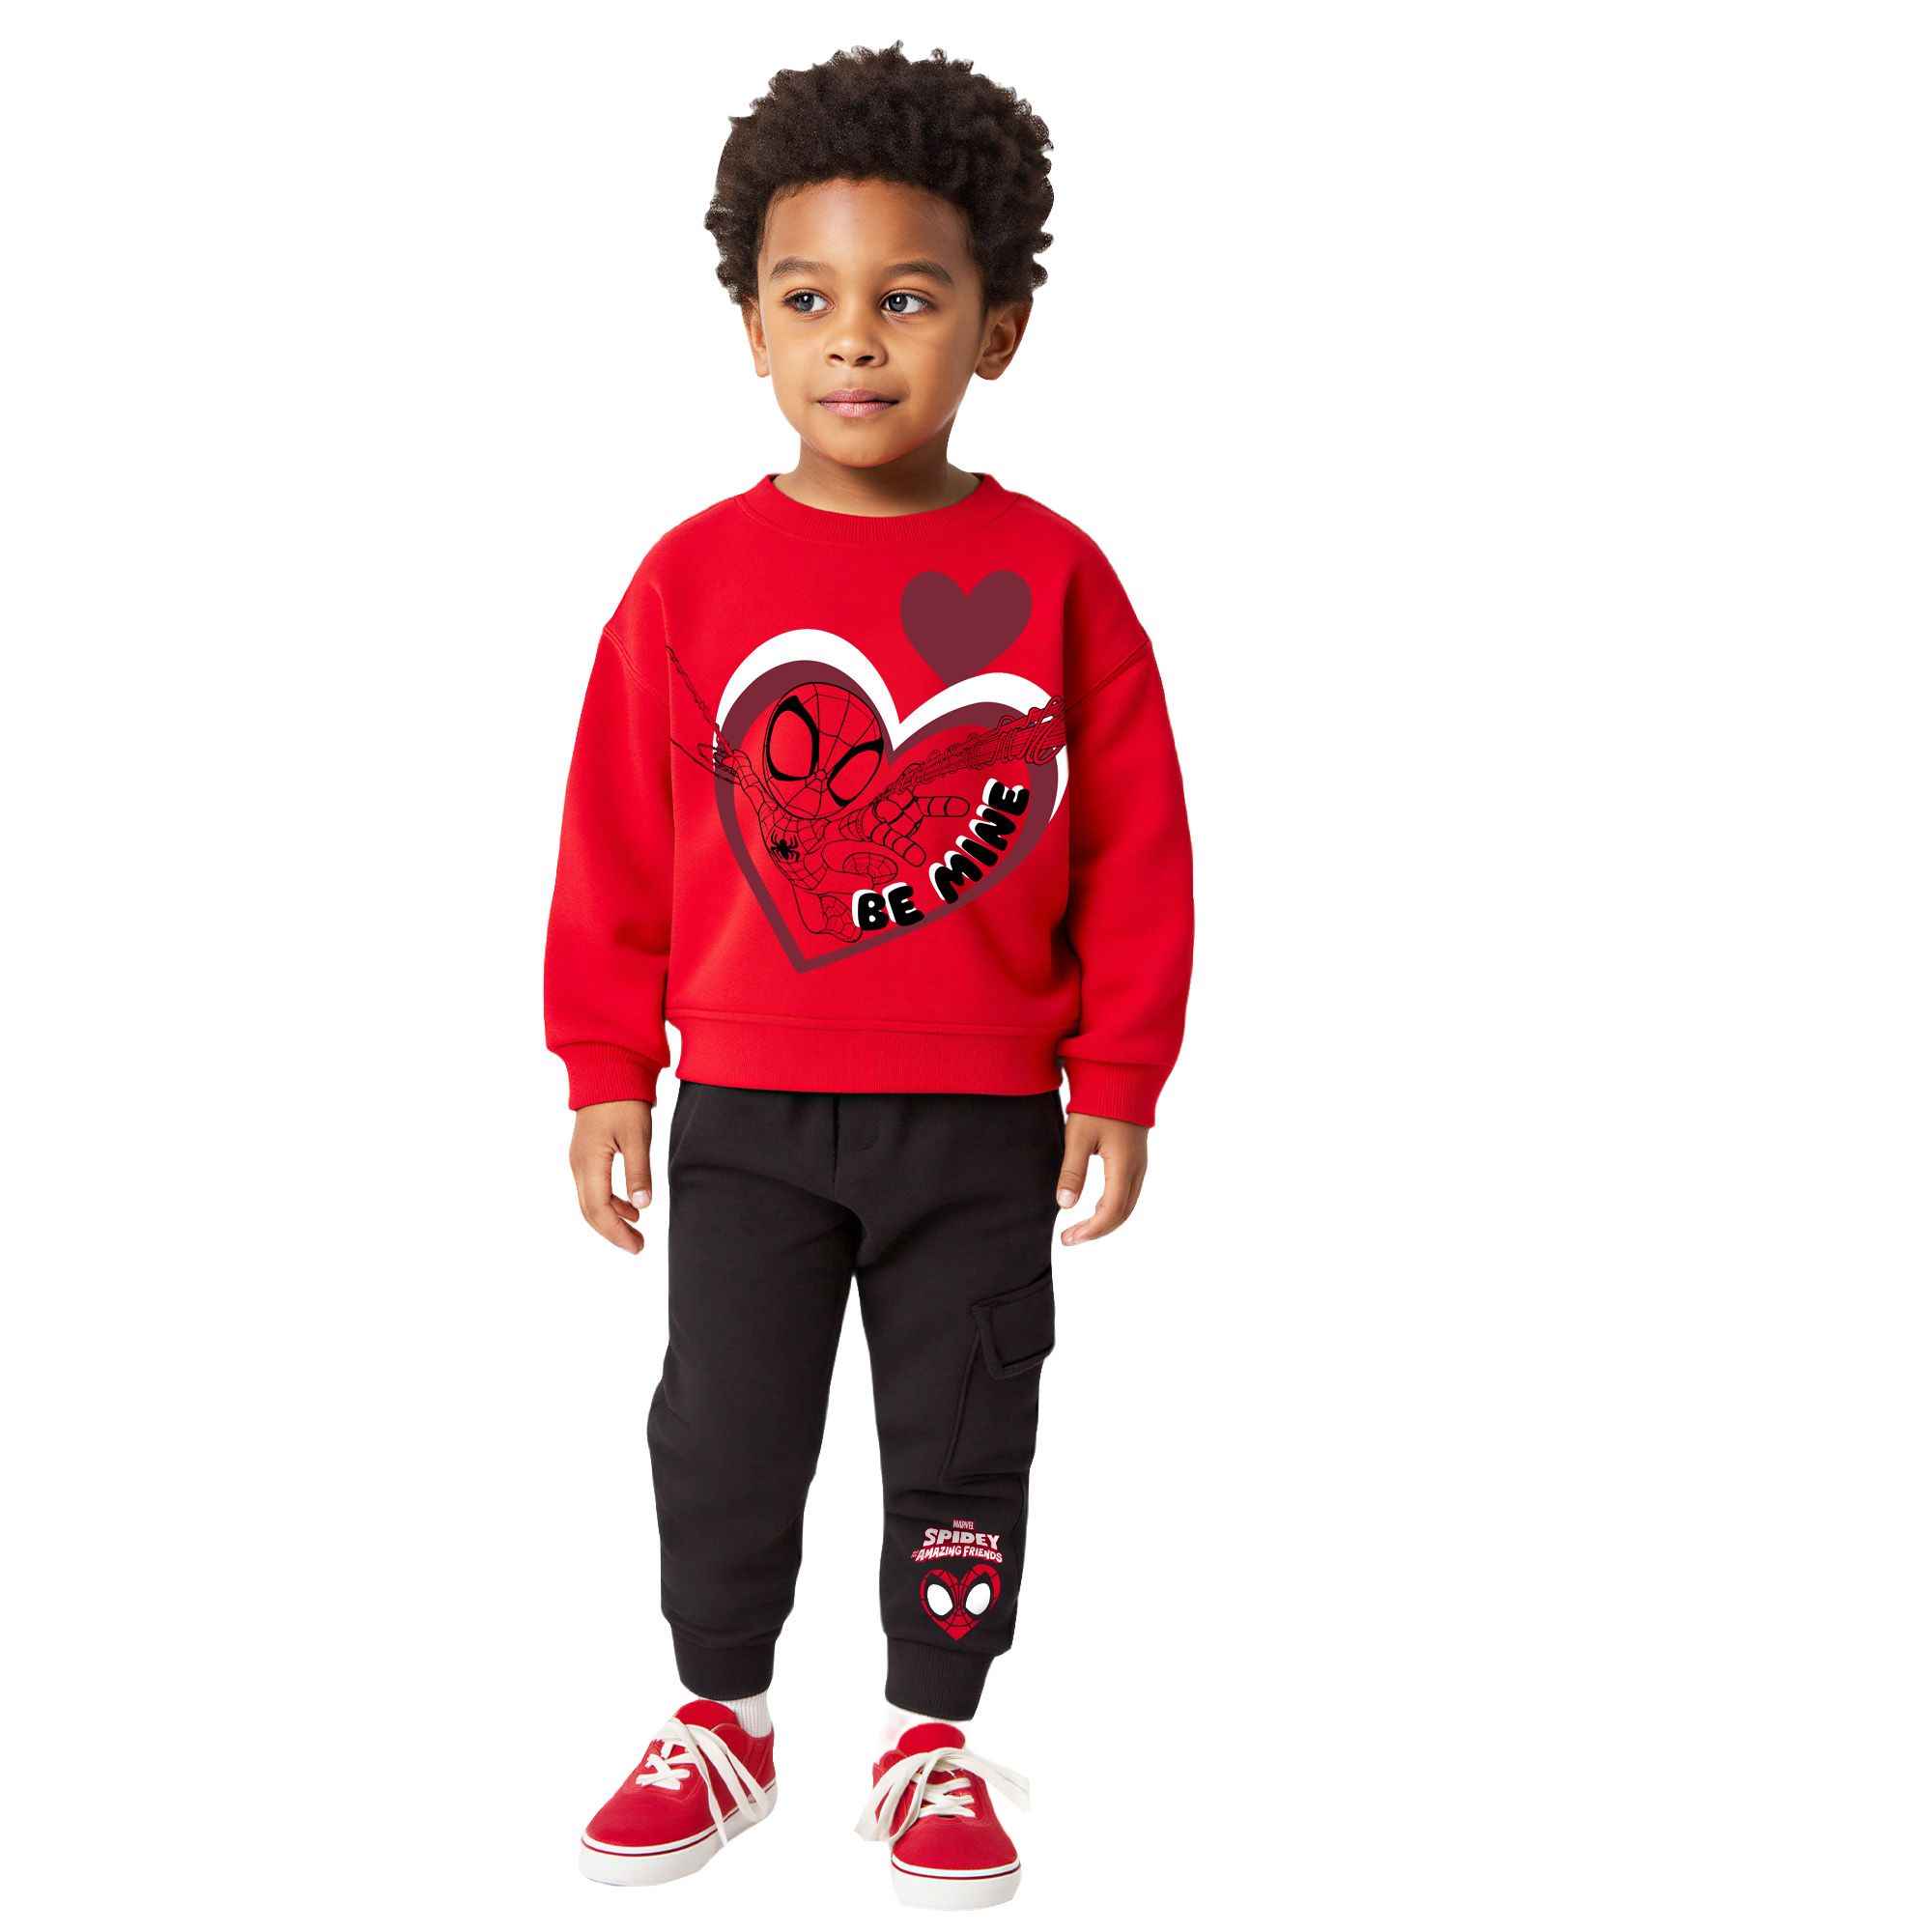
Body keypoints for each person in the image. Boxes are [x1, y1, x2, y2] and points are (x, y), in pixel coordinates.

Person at [543, 41, 1194, 1910]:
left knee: (966, 1436)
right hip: (745, 1113)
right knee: (724, 1429)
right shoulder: (688, 580)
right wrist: (606, 1068)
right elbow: (618, 843)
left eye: (907, 300)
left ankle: (929, 1740)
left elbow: (1137, 851)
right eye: (808, 299)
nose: (855, 341)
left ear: (998, 330)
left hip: (981, 1121)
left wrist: (1119, 1078)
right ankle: (722, 1715)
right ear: (751, 328)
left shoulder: (1060, 579)